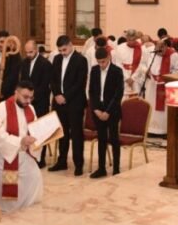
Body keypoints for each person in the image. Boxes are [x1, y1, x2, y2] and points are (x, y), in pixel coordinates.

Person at [0, 81, 44, 213]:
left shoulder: (31, 109)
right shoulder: (2, 108)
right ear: (16, 93)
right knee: (6, 194)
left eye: (31, 97)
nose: (28, 101)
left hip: (25, 153)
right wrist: (20, 141)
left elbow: (35, 129)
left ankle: (26, 208)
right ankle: (8, 210)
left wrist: (39, 138)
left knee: (35, 176)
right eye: (25, 97)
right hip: (6, 155)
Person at [49, 35, 88, 176]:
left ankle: (78, 164)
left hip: (75, 103)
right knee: (62, 134)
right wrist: (57, 94)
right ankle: (62, 161)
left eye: (64, 50)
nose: (62, 53)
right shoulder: (57, 59)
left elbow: (80, 83)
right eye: (60, 50)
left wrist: (65, 96)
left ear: (71, 45)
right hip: (59, 103)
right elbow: (53, 79)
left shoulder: (81, 60)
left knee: (76, 134)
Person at [89, 47, 124, 178]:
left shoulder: (117, 71)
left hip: (112, 111)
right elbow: (91, 92)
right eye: (99, 62)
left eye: (103, 61)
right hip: (98, 110)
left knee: (114, 139)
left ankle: (116, 168)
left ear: (109, 57)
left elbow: (118, 94)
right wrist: (96, 109)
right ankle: (101, 168)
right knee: (102, 139)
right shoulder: (94, 70)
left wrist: (107, 112)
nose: (101, 65)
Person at [135, 39, 175, 138]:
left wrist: (168, 76)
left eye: (163, 47)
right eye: (158, 46)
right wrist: (146, 71)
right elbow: (142, 64)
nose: (160, 49)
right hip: (151, 85)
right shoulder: (150, 53)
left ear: (166, 46)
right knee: (151, 105)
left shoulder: (172, 55)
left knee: (164, 110)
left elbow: (177, 69)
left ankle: (164, 131)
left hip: (165, 85)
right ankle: (150, 129)